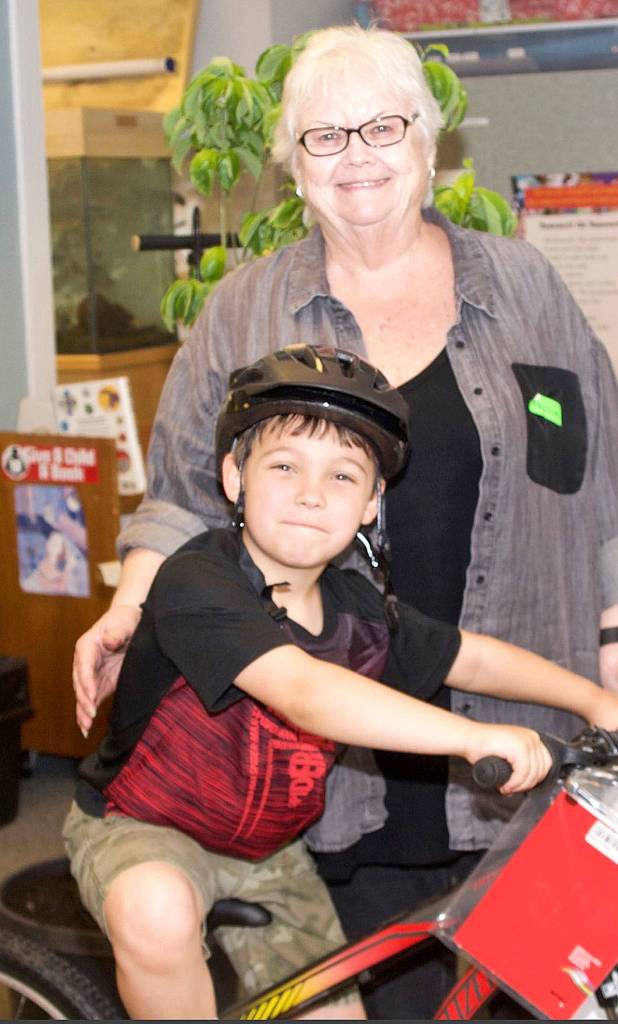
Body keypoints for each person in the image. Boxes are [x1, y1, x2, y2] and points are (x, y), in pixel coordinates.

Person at [73, 23, 618, 1018]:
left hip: (513, 726)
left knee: (535, 988)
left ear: (430, 142)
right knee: (377, 987)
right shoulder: (242, 311)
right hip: (325, 759)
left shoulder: (527, 289)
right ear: (294, 166)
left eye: (382, 127)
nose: (356, 155)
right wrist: (125, 611)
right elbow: (183, 497)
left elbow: (603, 484)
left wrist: (607, 660)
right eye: (324, 136)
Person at [64, 345, 618, 1021]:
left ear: (371, 504)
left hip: (270, 853)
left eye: (343, 476)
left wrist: (594, 699)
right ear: (235, 477)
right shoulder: (197, 581)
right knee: (156, 910)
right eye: (284, 466)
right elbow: (307, 692)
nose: (311, 493)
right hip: (142, 827)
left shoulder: (359, 609)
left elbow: (468, 658)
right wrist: (472, 737)